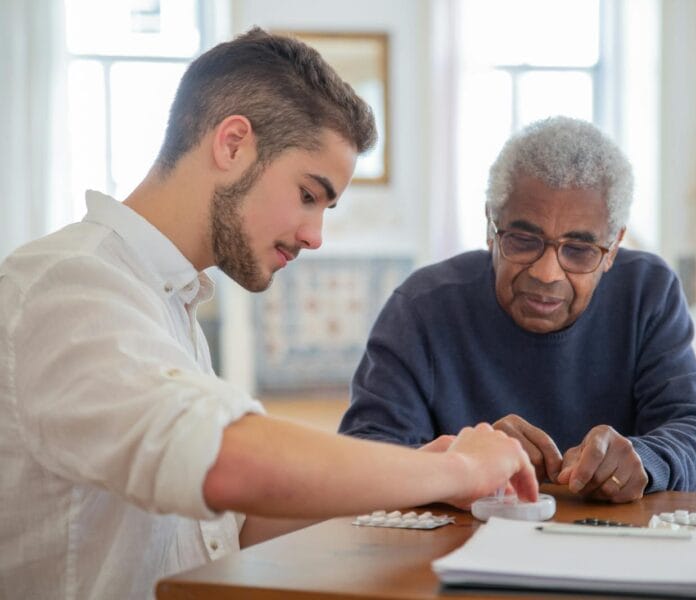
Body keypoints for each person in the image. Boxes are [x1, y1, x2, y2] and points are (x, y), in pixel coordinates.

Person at [0, 28, 537, 600]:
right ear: (233, 144)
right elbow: (226, 461)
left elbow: (227, 528)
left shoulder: (165, 298)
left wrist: (407, 476)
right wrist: (459, 471)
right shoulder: (67, 284)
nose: (315, 236)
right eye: (309, 195)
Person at [340, 116, 696, 503]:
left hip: (615, 547)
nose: (546, 272)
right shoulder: (423, 307)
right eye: (523, 240)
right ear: (491, 227)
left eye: (580, 250)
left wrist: (647, 457)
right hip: (454, 549)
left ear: (614, 247)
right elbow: (364, 458)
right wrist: (464, 461)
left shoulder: (648, 293)